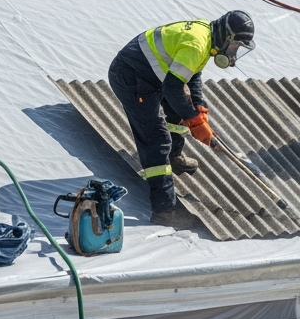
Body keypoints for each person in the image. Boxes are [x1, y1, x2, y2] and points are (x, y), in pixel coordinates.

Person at [109, 12, 255, 227]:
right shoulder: (196, 44)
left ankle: (173, 157)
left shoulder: (208, 36)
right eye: (236, 46)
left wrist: (199, 106)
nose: (234, 54)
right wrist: (195, 122)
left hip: (153, 74)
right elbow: (173, 87)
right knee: (156, 139)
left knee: (180, 109)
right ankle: (165, 209)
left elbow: (192, 75)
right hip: (132, 76)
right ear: (227, 37)